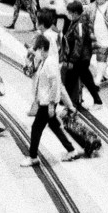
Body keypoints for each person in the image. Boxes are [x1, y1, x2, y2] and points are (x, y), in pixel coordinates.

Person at [21, 35, 81, 167]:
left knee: (36, 128)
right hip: (45, 102)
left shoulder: (50, 63)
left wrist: (51, 105)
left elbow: (55, 84)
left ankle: (33, 157)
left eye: (36, 49)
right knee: (54, 126)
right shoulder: (45, 61)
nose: (35, 52)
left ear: (42, 48)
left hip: (47, 103)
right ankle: (71, 150)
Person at [62, 0, 102, 109]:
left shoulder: (79, 24)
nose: (68, 14)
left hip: (80, 58)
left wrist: (72, 60)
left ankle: (68, 105)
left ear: (75, 13)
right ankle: (69, 103)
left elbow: (79, 44)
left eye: (69, 12)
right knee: (82, 80)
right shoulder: (76, 22)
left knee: (72, 80)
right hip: (81, 57)